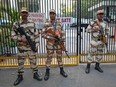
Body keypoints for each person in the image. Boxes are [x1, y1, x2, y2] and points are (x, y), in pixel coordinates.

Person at [11, 7, 42, 86]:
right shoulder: (16, 24)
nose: (24, 14)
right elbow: (12, 35)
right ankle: (20, 76)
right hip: (22, 48)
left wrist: (36, 45)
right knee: (20, 63)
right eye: (23, 12)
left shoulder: (32, 23)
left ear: (28, 14)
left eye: (25, 13)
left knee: (33, 62)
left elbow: (37, 35)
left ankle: (35, 74)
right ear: (20, 13)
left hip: (31, 47)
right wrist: (20, 39)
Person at [42, 9, 68, 81]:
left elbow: (62, 33)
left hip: (58, 44)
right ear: (49, 15)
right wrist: (50, 38)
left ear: (55, 15)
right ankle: (47, 72)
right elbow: (43, 34)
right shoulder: (46, 24)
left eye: (53, 14)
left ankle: (61, 70)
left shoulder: (59, 23)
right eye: (51, 13)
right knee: (49, 58)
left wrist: (62, 39)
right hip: (50, 44)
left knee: (59, 57)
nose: (52, 15)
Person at [85, 9, 109, 74]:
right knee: (91, 54)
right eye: (99, 14)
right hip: (94, 41)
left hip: (101, 41)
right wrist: (94, 30)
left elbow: (107, 31)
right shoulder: (93, 22)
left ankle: (97, 66)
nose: (101, 15)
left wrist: (105, 35)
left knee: (100, 54)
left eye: (102, 14)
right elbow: (87, 30)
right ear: (97, 15)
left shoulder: (105, 23)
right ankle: (88, 66)